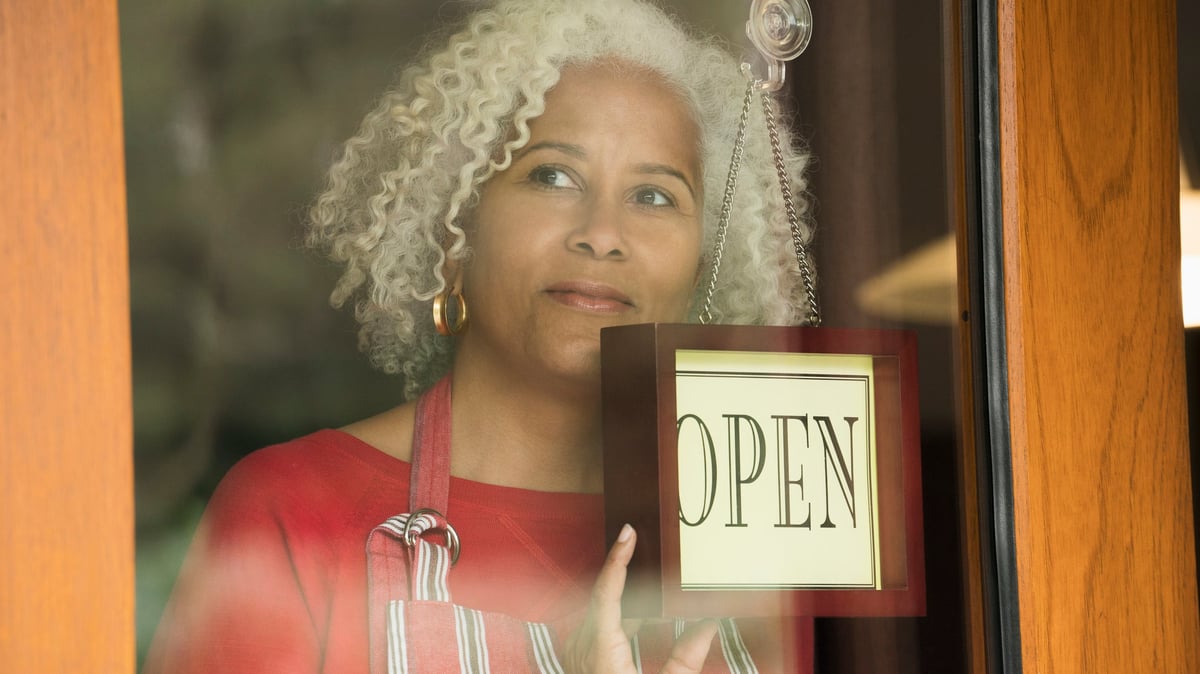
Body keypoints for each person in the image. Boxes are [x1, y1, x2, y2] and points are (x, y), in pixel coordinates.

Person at [144, 0, 816, 671]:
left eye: (655, 196)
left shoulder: (754, 532)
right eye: (552, 176)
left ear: (701, 267)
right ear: (455, 235)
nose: (604, 234)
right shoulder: (292, 511)